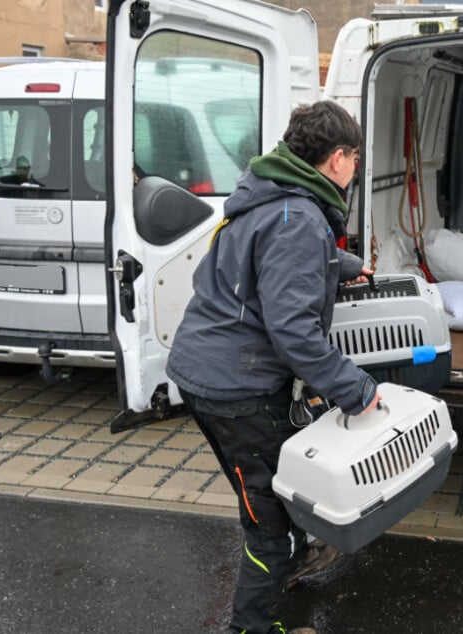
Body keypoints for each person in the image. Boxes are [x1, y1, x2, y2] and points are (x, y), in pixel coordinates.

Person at [166, 100, 382, 634]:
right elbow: (293, 332)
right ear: (337, 159)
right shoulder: (299, 218)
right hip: (236, 389)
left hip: (210, 374)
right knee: (272, 527)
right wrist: (354, 388)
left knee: (268, 499)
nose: (356, 167)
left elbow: (267, 262)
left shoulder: (272, 193)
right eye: (355, 157)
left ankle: (282, 559)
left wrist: (341, 265)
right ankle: (253, 625)